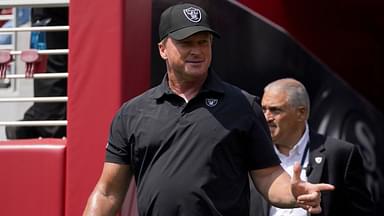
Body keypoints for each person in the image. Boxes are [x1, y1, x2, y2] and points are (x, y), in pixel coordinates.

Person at [83, 3, 334, 216]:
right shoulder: (132, 113)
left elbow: (267, 175)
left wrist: (292, 192)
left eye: (204, 42)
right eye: (186, 42)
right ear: (162, 49)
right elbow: (108, 191)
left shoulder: (243, 105)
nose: (197, 51)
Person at [250, 78, 374, 216]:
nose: (266, 117)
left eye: (275, 110)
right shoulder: (251, 155)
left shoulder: (339, 154)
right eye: (263, 109)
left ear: (301, 113)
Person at [5, 7, 68, 139]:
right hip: (50, 14)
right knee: (51, 72)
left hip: (50, 14)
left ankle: (28, 126)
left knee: (52, 73)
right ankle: (36, 126)